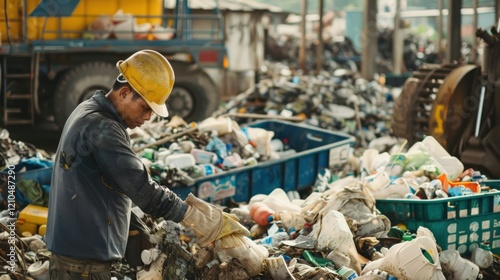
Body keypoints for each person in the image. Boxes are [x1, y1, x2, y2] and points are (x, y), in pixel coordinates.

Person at [45, 49, 248, 279]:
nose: (149, 117)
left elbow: (103, 182)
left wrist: (130, 222)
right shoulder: (104, 129)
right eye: (145, 108)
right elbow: (143, 189)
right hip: (82, 265)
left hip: (76, 253)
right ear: (123, 93)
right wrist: (196, 218)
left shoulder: (89, 111)